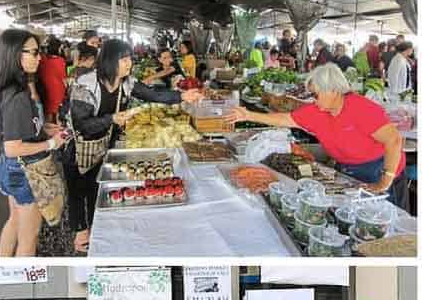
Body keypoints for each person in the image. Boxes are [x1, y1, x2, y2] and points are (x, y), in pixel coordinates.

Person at [66, 40, 202, 253]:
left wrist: (182, 95)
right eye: (124, 58)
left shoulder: (126, 82)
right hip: (78, 147)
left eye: (130, 58)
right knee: (77, 189)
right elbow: (81, 124)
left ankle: (95, 228)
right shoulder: (86, 84)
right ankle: (80, 234)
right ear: (110, 60)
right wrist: (112, 118)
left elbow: (153, 95)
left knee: (96, 185)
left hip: (103, 144)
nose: (129, 63)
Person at [225, 63, 408, 210]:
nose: (313, 99)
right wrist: (248, 115)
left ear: (333, 90)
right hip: (349, 171)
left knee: (381, 219)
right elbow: (285, 119)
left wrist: (384, 181)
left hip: (379, 169)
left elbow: (394, 140)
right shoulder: (317, 111)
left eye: (316, 94)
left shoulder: (361, 108)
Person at [0, 29, 67, 257]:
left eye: (38, 52)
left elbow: (15, 130)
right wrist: (51, 144)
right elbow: (13, 147)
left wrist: (45, 129)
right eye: (33, 52)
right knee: (29, 237)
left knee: (14, 221)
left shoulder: (3, 87)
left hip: (8, 168)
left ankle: (3, 262)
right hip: (25, 171)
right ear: (14, 54)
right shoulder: (18, 96)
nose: (39, 57)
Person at [37, 36, 67, 123]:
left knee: (48, 111)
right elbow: (63, 78)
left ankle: (49, 132)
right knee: (58, 111)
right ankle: (58, 131)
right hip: (58, 89)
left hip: (46, 89)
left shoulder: (42, 60)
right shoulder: (60, 60)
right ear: (58, 48)